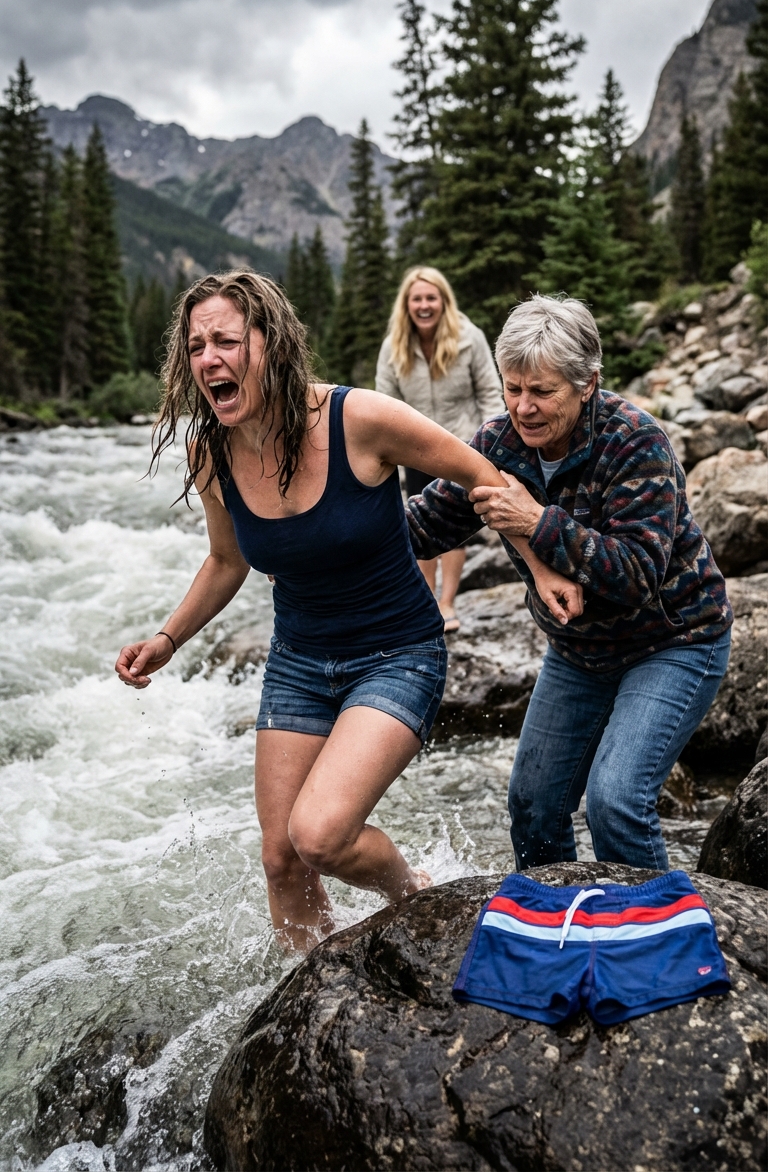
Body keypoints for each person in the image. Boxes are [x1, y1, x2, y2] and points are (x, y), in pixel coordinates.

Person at [115, 272, 579, 952]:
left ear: (271, 346)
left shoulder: (359, 419)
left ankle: (409, 892)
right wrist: (168, 638)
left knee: (322, 835)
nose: (208, 358)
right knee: (282, 860)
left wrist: (539, 566)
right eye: (195, 346)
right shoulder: (210, 448)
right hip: (300, 663)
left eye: (226, 340)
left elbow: (485, 475)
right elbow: (226, 560)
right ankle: (317, 988)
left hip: (399, 654)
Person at [406, 294, 733, 872]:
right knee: (533, 806)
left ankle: (651, 937)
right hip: (580, 652)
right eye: (513, 389)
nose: (523, 408)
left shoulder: (635, 441)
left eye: (543, 392)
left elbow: (636, 575)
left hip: (675, 641)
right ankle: (562, 924)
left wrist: (536, 521)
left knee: (616, 801)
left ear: (587, 384)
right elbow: (425, 525)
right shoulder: (497, 443)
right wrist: (327, 532)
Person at [376, 267, 504, 632]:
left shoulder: (470, 338)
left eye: (431, 298)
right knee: (418, 523)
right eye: (417, 299)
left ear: (444, 301)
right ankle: (427, 599)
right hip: (414, 448)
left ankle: (447, 603)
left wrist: (492, 444)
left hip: (463, 443)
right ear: (407, 304)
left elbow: (489, 391)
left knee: (456, 524)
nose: (424, 305)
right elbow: (385, 401)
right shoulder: (393, 346)